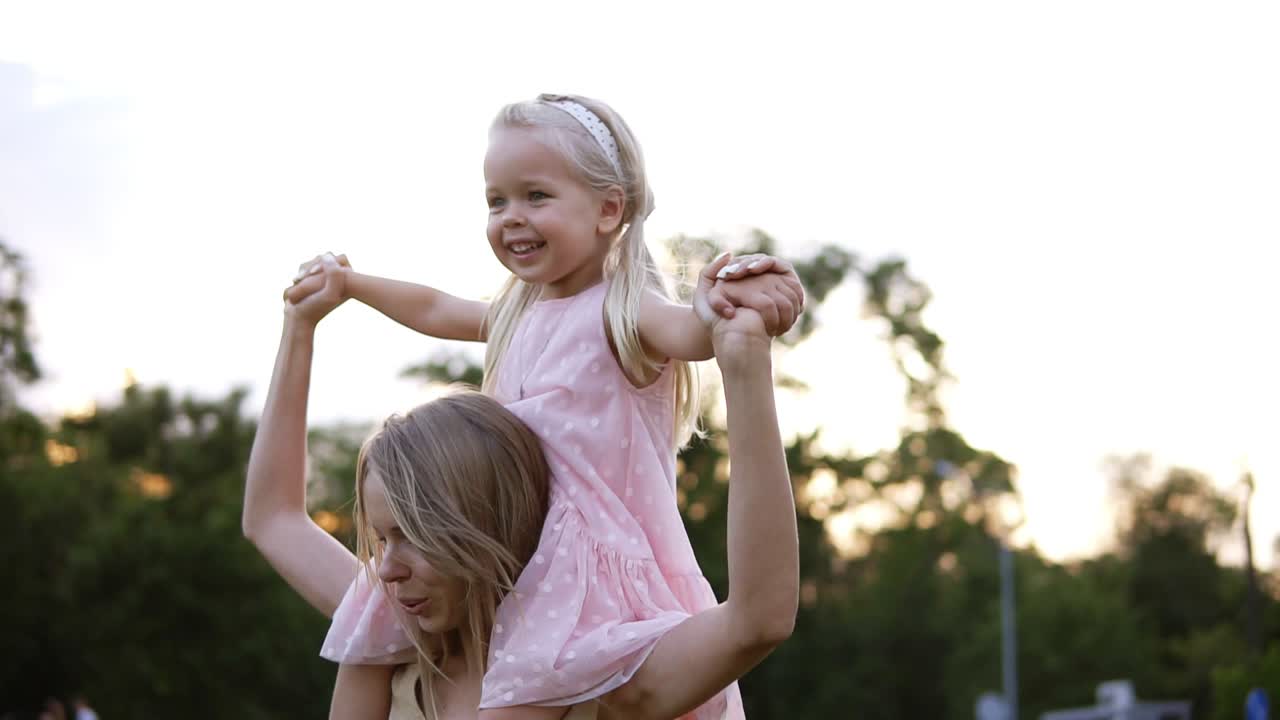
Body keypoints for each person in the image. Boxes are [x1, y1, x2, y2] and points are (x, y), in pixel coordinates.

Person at [284, 93, 802, 720]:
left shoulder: (622, 312)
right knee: (391, 639)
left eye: (536, 196)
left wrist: (726, 304)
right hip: (519, 558)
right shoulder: (516, 314)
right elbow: (435, 309)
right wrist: (352, 285)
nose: (511, 217)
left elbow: (695, 335)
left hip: (591, 568)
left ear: (609, 208)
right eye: (496, 200)